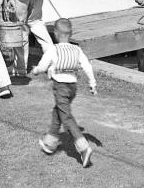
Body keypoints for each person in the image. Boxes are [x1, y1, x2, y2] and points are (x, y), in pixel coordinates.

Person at [31, 17, 98, 168]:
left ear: (55, 33)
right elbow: (87, 66)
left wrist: (36, 70)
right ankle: (50, 142)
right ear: (71, 33)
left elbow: (42, 66)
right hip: (72, 87)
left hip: (60, 86)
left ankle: (83, 147)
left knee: (66, 117)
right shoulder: (77, 49)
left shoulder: (53, 49)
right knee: (59, 112)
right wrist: (92, 83)